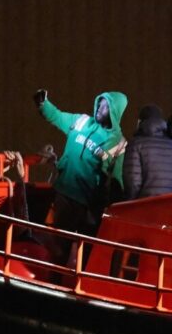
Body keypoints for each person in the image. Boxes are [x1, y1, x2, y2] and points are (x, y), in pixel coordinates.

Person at [32, 88, 127, 236]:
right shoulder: (82, 121)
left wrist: (110, 210)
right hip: (64, 191)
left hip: (88, 203)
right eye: (99, 104)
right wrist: (44, 104)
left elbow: (117, 181)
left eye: (106, 107)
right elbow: (58, 117)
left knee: (83, 249)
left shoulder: (118, 143)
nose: (99, 109)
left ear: (115, 112)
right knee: (57, 244)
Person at [123, 104, 172, 200]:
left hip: (145, 207)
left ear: (140, 122)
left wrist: (133, 203)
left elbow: (132, 182)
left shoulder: (135, 145)